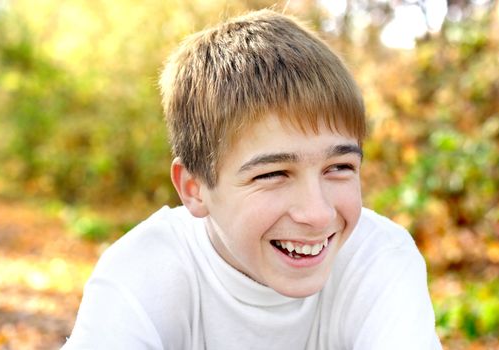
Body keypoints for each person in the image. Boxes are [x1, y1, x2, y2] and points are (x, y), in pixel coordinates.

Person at [62, 9, 441, 349]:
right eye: (274, 174)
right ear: (194, 189)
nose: (318, 214)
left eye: (339, 167)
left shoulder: (378, 258)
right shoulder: (144, 271)